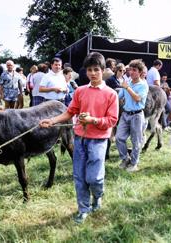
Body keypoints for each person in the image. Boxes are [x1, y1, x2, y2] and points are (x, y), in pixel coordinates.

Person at [39, 52, 118, 224]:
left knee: (94, 178)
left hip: (98, 141)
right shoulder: (80, 91)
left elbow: (112, 120)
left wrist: (93, 120)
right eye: (89, 70)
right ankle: (83, 209)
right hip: (80, 140)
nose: (92, 73)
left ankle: (97, 196)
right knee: (79, 178)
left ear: (103, 70)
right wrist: (52, 121)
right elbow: (69, 112)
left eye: (96, 69)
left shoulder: (111, 94)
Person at [115, 59, 149, 172]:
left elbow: (137, 98)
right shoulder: (128, 82)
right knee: (119, 137)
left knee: (136, 141)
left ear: (140, 72)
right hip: (125, 114)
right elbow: (119, 97)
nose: (131, 72)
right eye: (130, 70)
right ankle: (125, 159)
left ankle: (134, 163)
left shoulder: (143, 85)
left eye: (134, 70)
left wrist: (127, 87)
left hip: (137, 115)